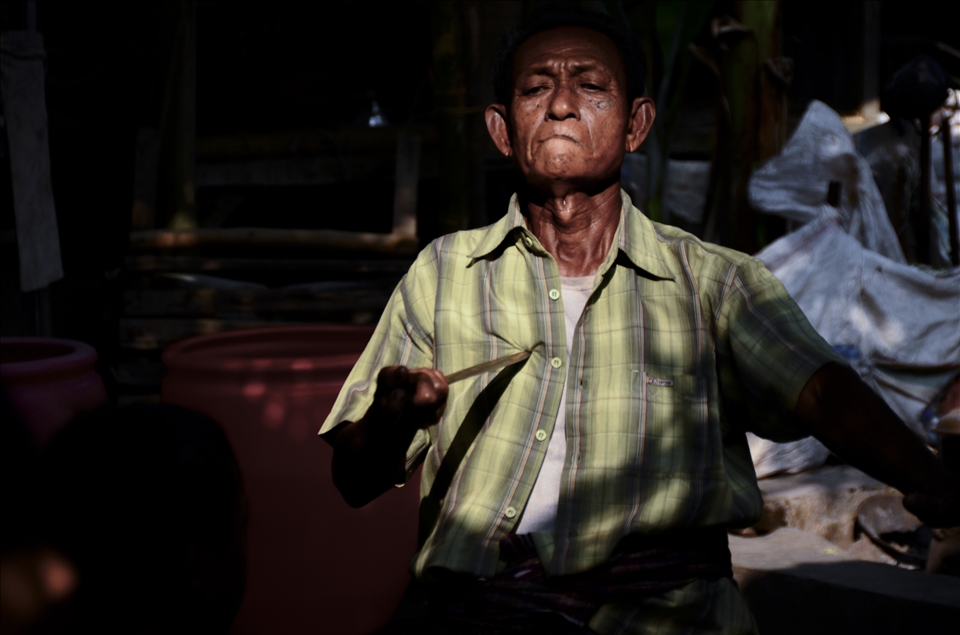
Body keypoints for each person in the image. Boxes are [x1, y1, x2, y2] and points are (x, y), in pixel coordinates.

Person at [320, 8, 959, 634]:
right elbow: (352, 481)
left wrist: (928, 477)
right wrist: (388, 418)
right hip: (480, 612)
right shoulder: (443, 273)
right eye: (536, 88)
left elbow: (820, 389)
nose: (562, 106)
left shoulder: (715, 282)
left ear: (636, 124)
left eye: (591, 87)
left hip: (666, 617)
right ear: (501, 129)